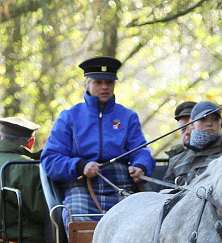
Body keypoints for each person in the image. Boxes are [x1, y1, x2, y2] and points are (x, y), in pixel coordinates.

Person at [41, 56, 155, 222]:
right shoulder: (69, 117)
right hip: (81, 186)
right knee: (77, 221)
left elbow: (141, 151)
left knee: (142, 223)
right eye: (98, 82)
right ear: (86, 84)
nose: (104, 87)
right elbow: (50, 159)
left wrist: (140, 166)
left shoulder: (128, 117)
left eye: (109, 83)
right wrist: (80, 166)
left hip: (121, 184)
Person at [163, 101, 222, 187]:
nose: (210, 123)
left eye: (215, 119)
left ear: (220, 123)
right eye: (203, 119)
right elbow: (165, 195)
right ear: (192, 124)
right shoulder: (176, 161)